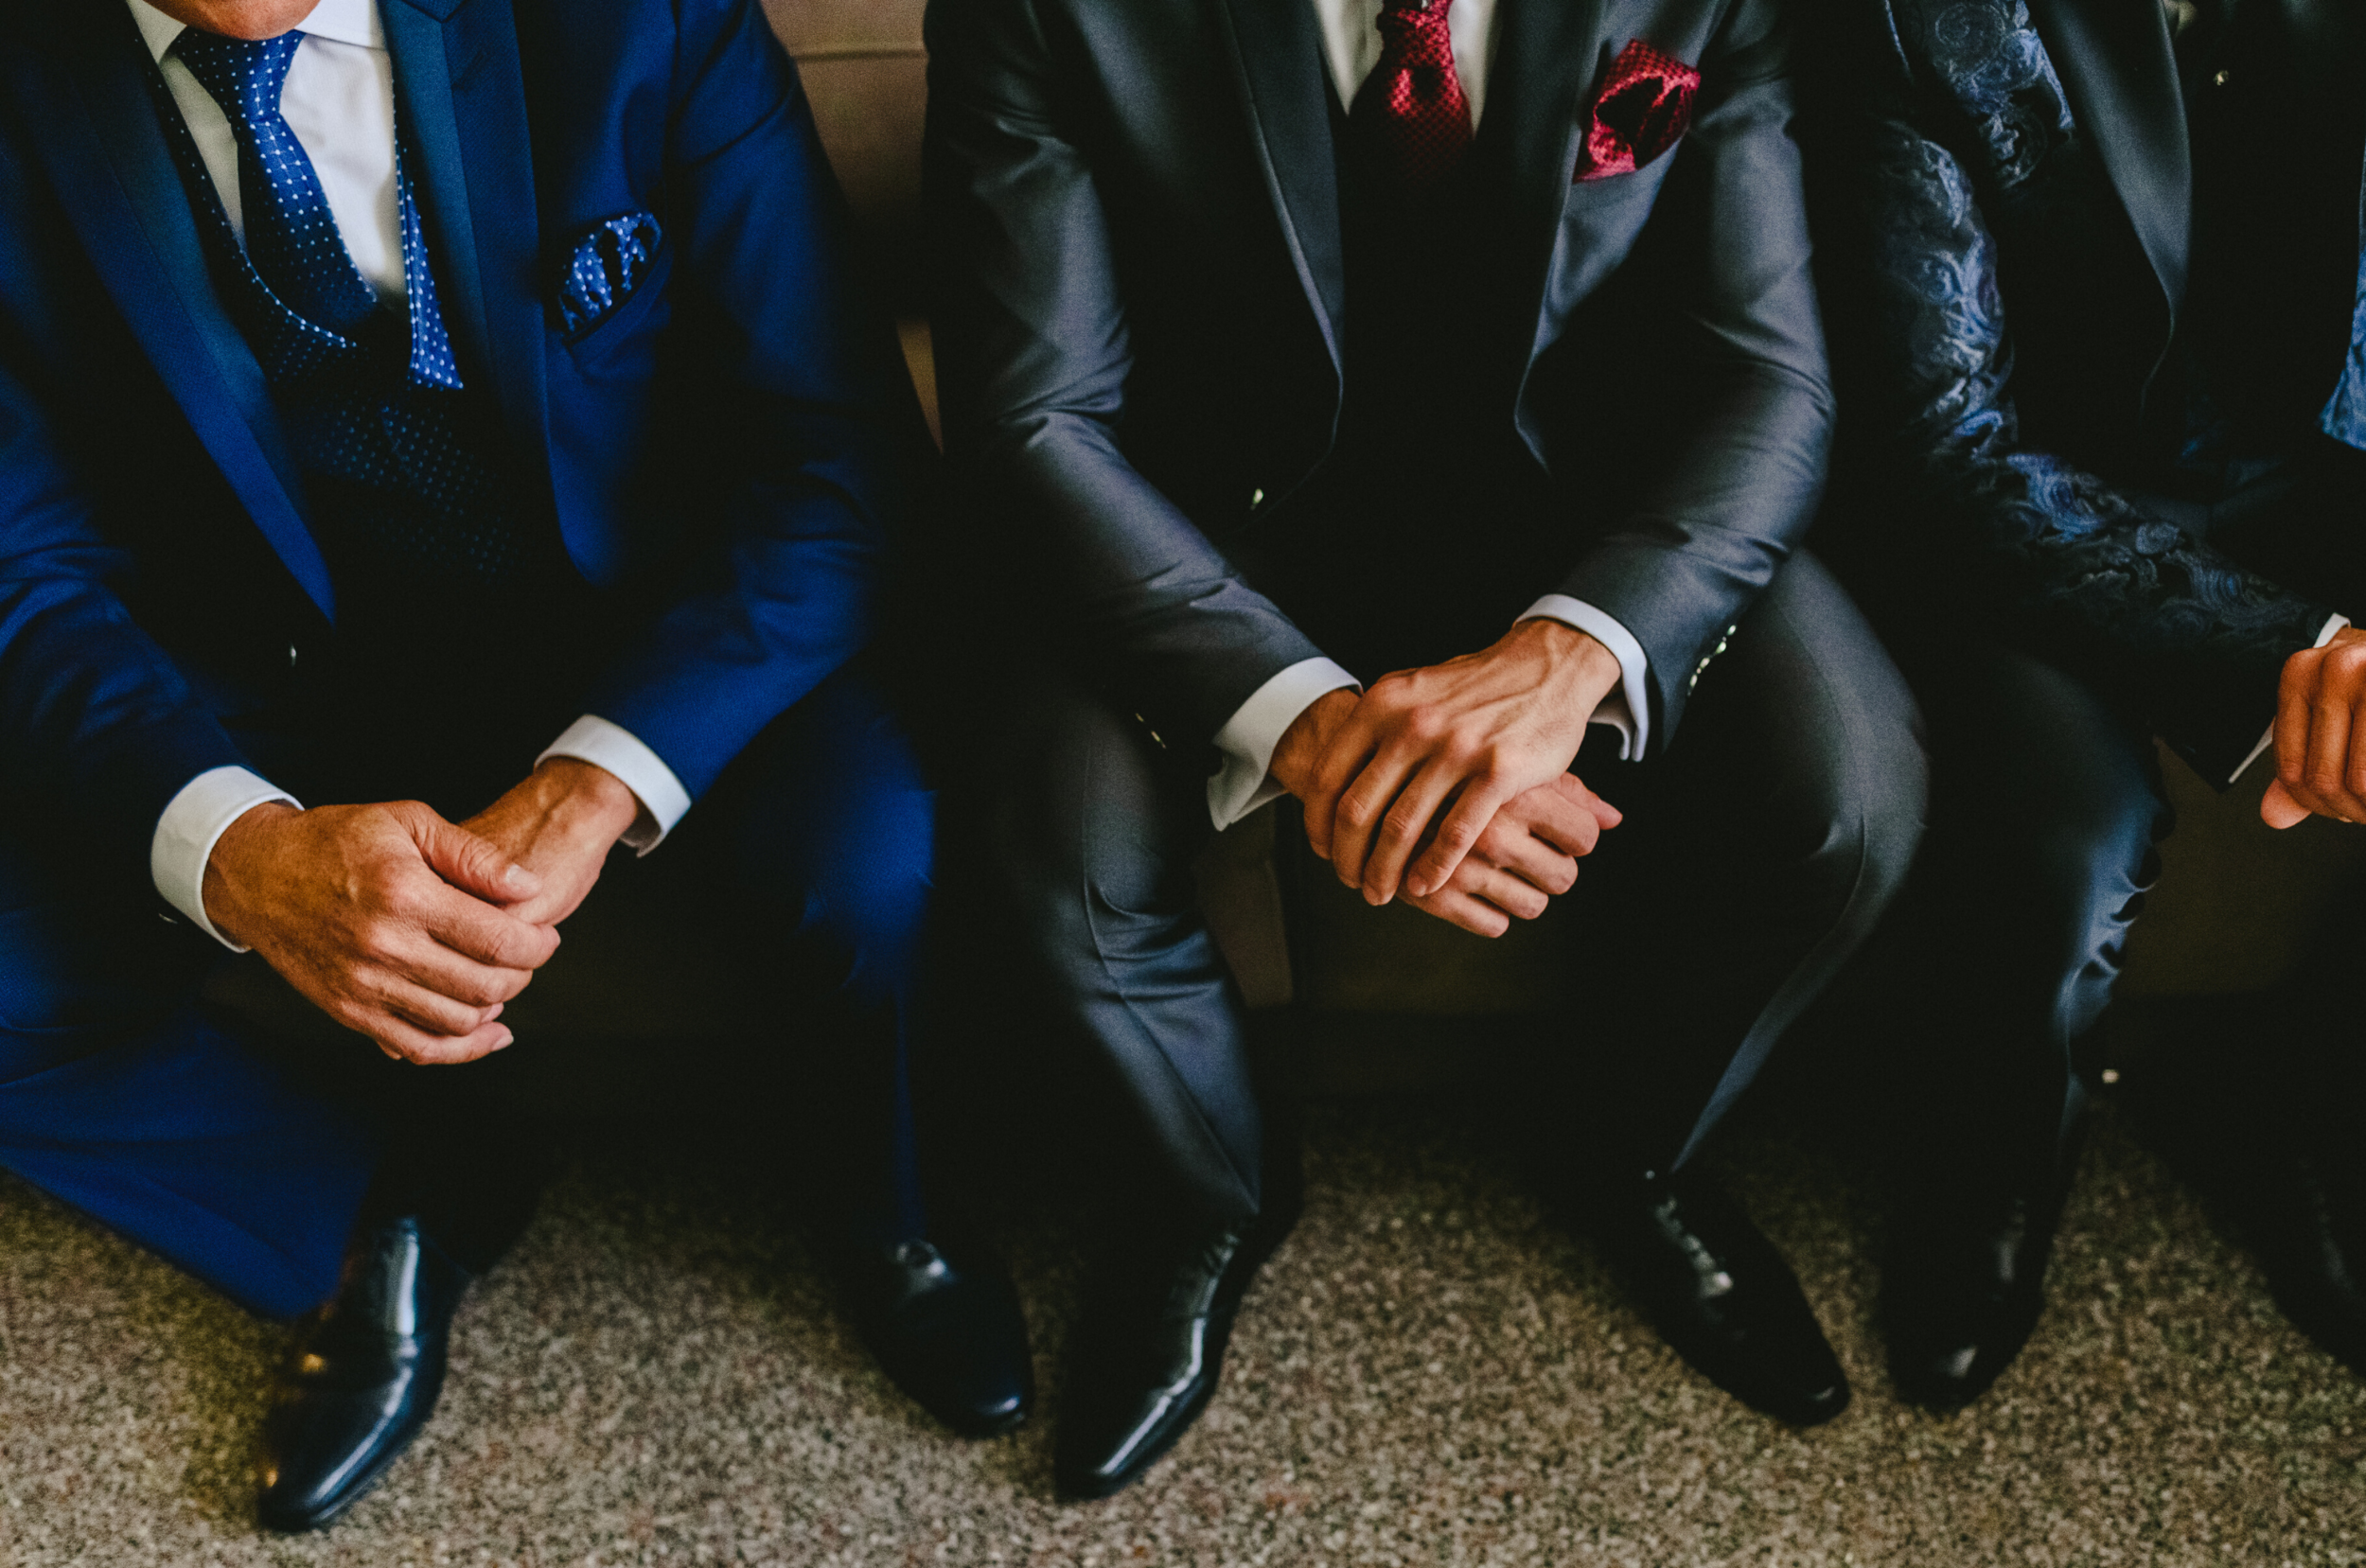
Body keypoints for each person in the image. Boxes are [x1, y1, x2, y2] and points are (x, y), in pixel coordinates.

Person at [0, 0, 1031, 1532]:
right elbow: (25, 564)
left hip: (656, 626)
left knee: (868, 868)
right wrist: (238, 850)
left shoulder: (641, 22)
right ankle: (391, 1194)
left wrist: (597, 777)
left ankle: (885, 1210)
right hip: (256, 659)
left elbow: (838, 463)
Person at [924, 0, 1927, 1498]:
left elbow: (1768, 380)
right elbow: (1040, 421)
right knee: (1054, 851)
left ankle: (1626, 1146)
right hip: (1212, 531)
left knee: (1848, 802)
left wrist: (1569, 653)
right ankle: (1212, 1195)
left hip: (1587, 525)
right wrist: (1316, 727)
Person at [1810, 0, 2366, 1409]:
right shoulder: (1918, 21)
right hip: (2036, 503)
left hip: (2328, 467)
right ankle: (1989, 1180)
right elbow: (1941, 444)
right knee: (2070, 850)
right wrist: (2300, 655)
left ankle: (2291, 1099)